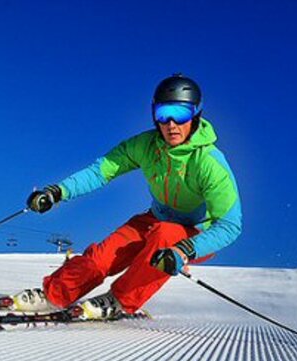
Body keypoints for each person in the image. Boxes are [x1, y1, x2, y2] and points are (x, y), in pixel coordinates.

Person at [13, 73, 242, 319]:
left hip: (194, 234)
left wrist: (185, 249)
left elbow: (230, 225)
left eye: (181, 114)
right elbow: (101, 171)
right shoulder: (146, 146)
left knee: (165, 236)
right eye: (164, 114)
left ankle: (120, 301)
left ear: (195, 115)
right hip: (154, 219)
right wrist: (58, 191)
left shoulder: (209, 163)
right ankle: (54, 294)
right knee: (103, 256)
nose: (171, 124)